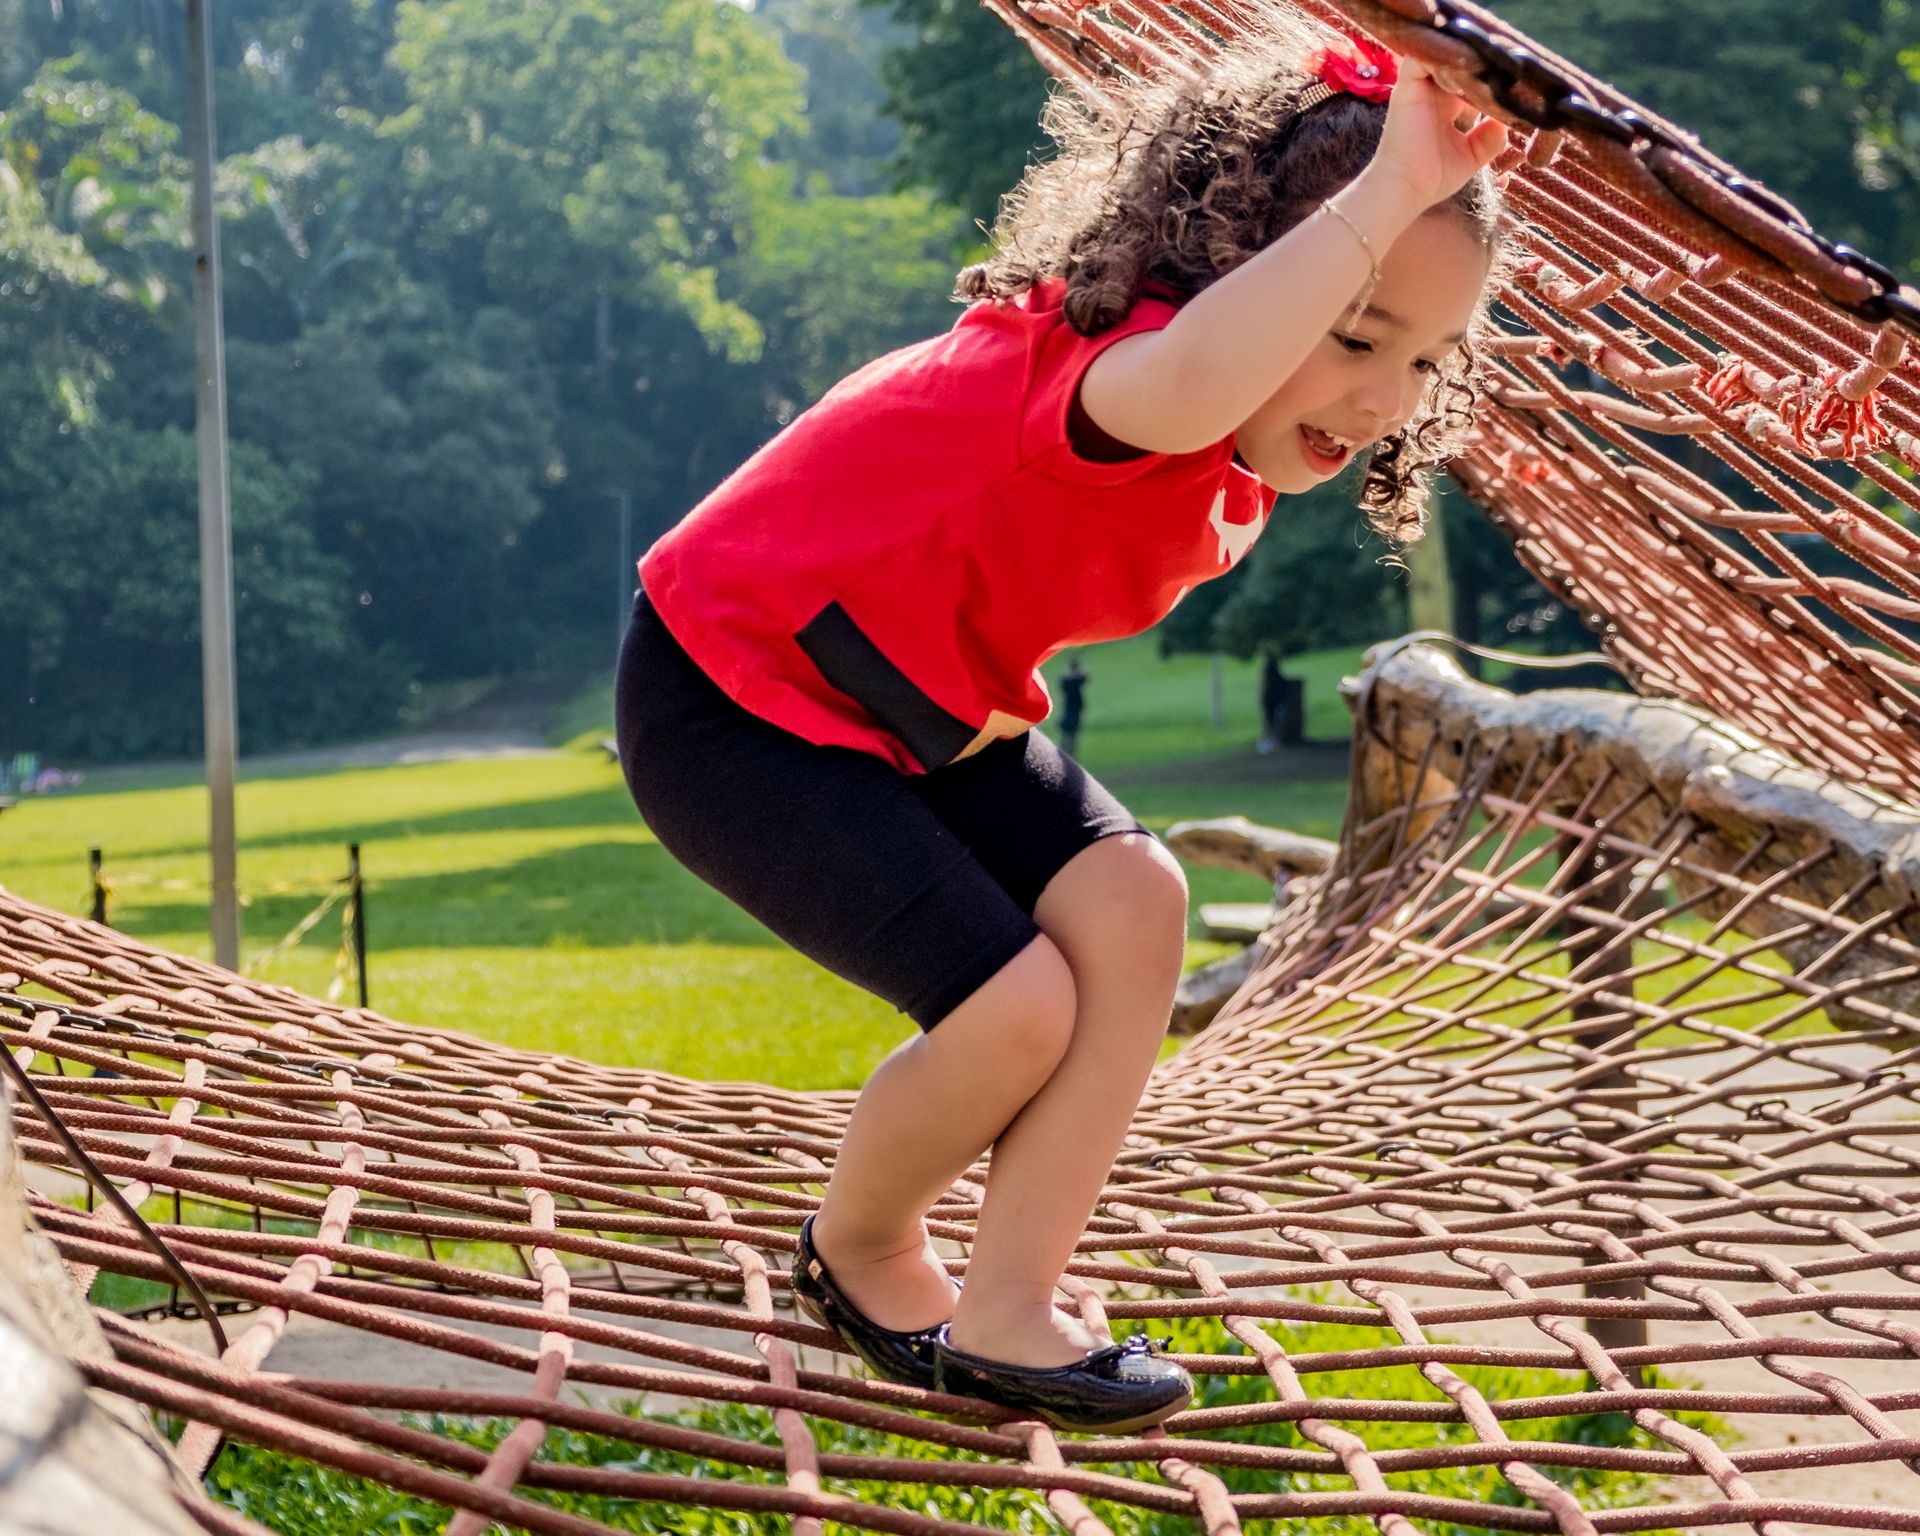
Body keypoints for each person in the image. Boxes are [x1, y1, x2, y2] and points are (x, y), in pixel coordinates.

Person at [615, 9, 1511, 1434]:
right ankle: (862, 1251)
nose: (1386, 399)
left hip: (902, 703)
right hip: (732, 691)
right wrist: (1388, 190)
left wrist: (1402, 211)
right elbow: (1200, 374)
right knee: (1018, 1007)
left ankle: (1012, 1304)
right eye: (1355, 334)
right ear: (1231, 278)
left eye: (1425, 361)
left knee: (1135, 905)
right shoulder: (1118, 382)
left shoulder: (1229, 436)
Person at [1057, 656, 1088, 759]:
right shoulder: (1071, 681)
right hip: (1071, 710)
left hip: (1072, 709)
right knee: (1069, 734)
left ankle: (1068, 754)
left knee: (1070, 734)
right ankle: (1066, 754)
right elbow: (1084, 677)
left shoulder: (1069, 680)